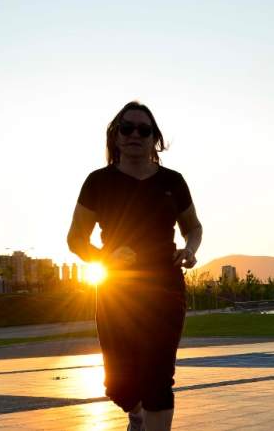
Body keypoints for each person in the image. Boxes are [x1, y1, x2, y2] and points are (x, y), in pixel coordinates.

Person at [67, 101, 202, 431]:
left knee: (158, 378)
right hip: (116, 290)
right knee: (118, 384)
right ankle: (136, 416)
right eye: (126, 128)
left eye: (144, 130)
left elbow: (193, 227)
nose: (134, 135)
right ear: (115, 135)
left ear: (155, 138)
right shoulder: (98, 182)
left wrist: (190, 249)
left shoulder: (173, 181)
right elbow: (76, 239)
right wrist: (104, 258)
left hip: (165, 288)